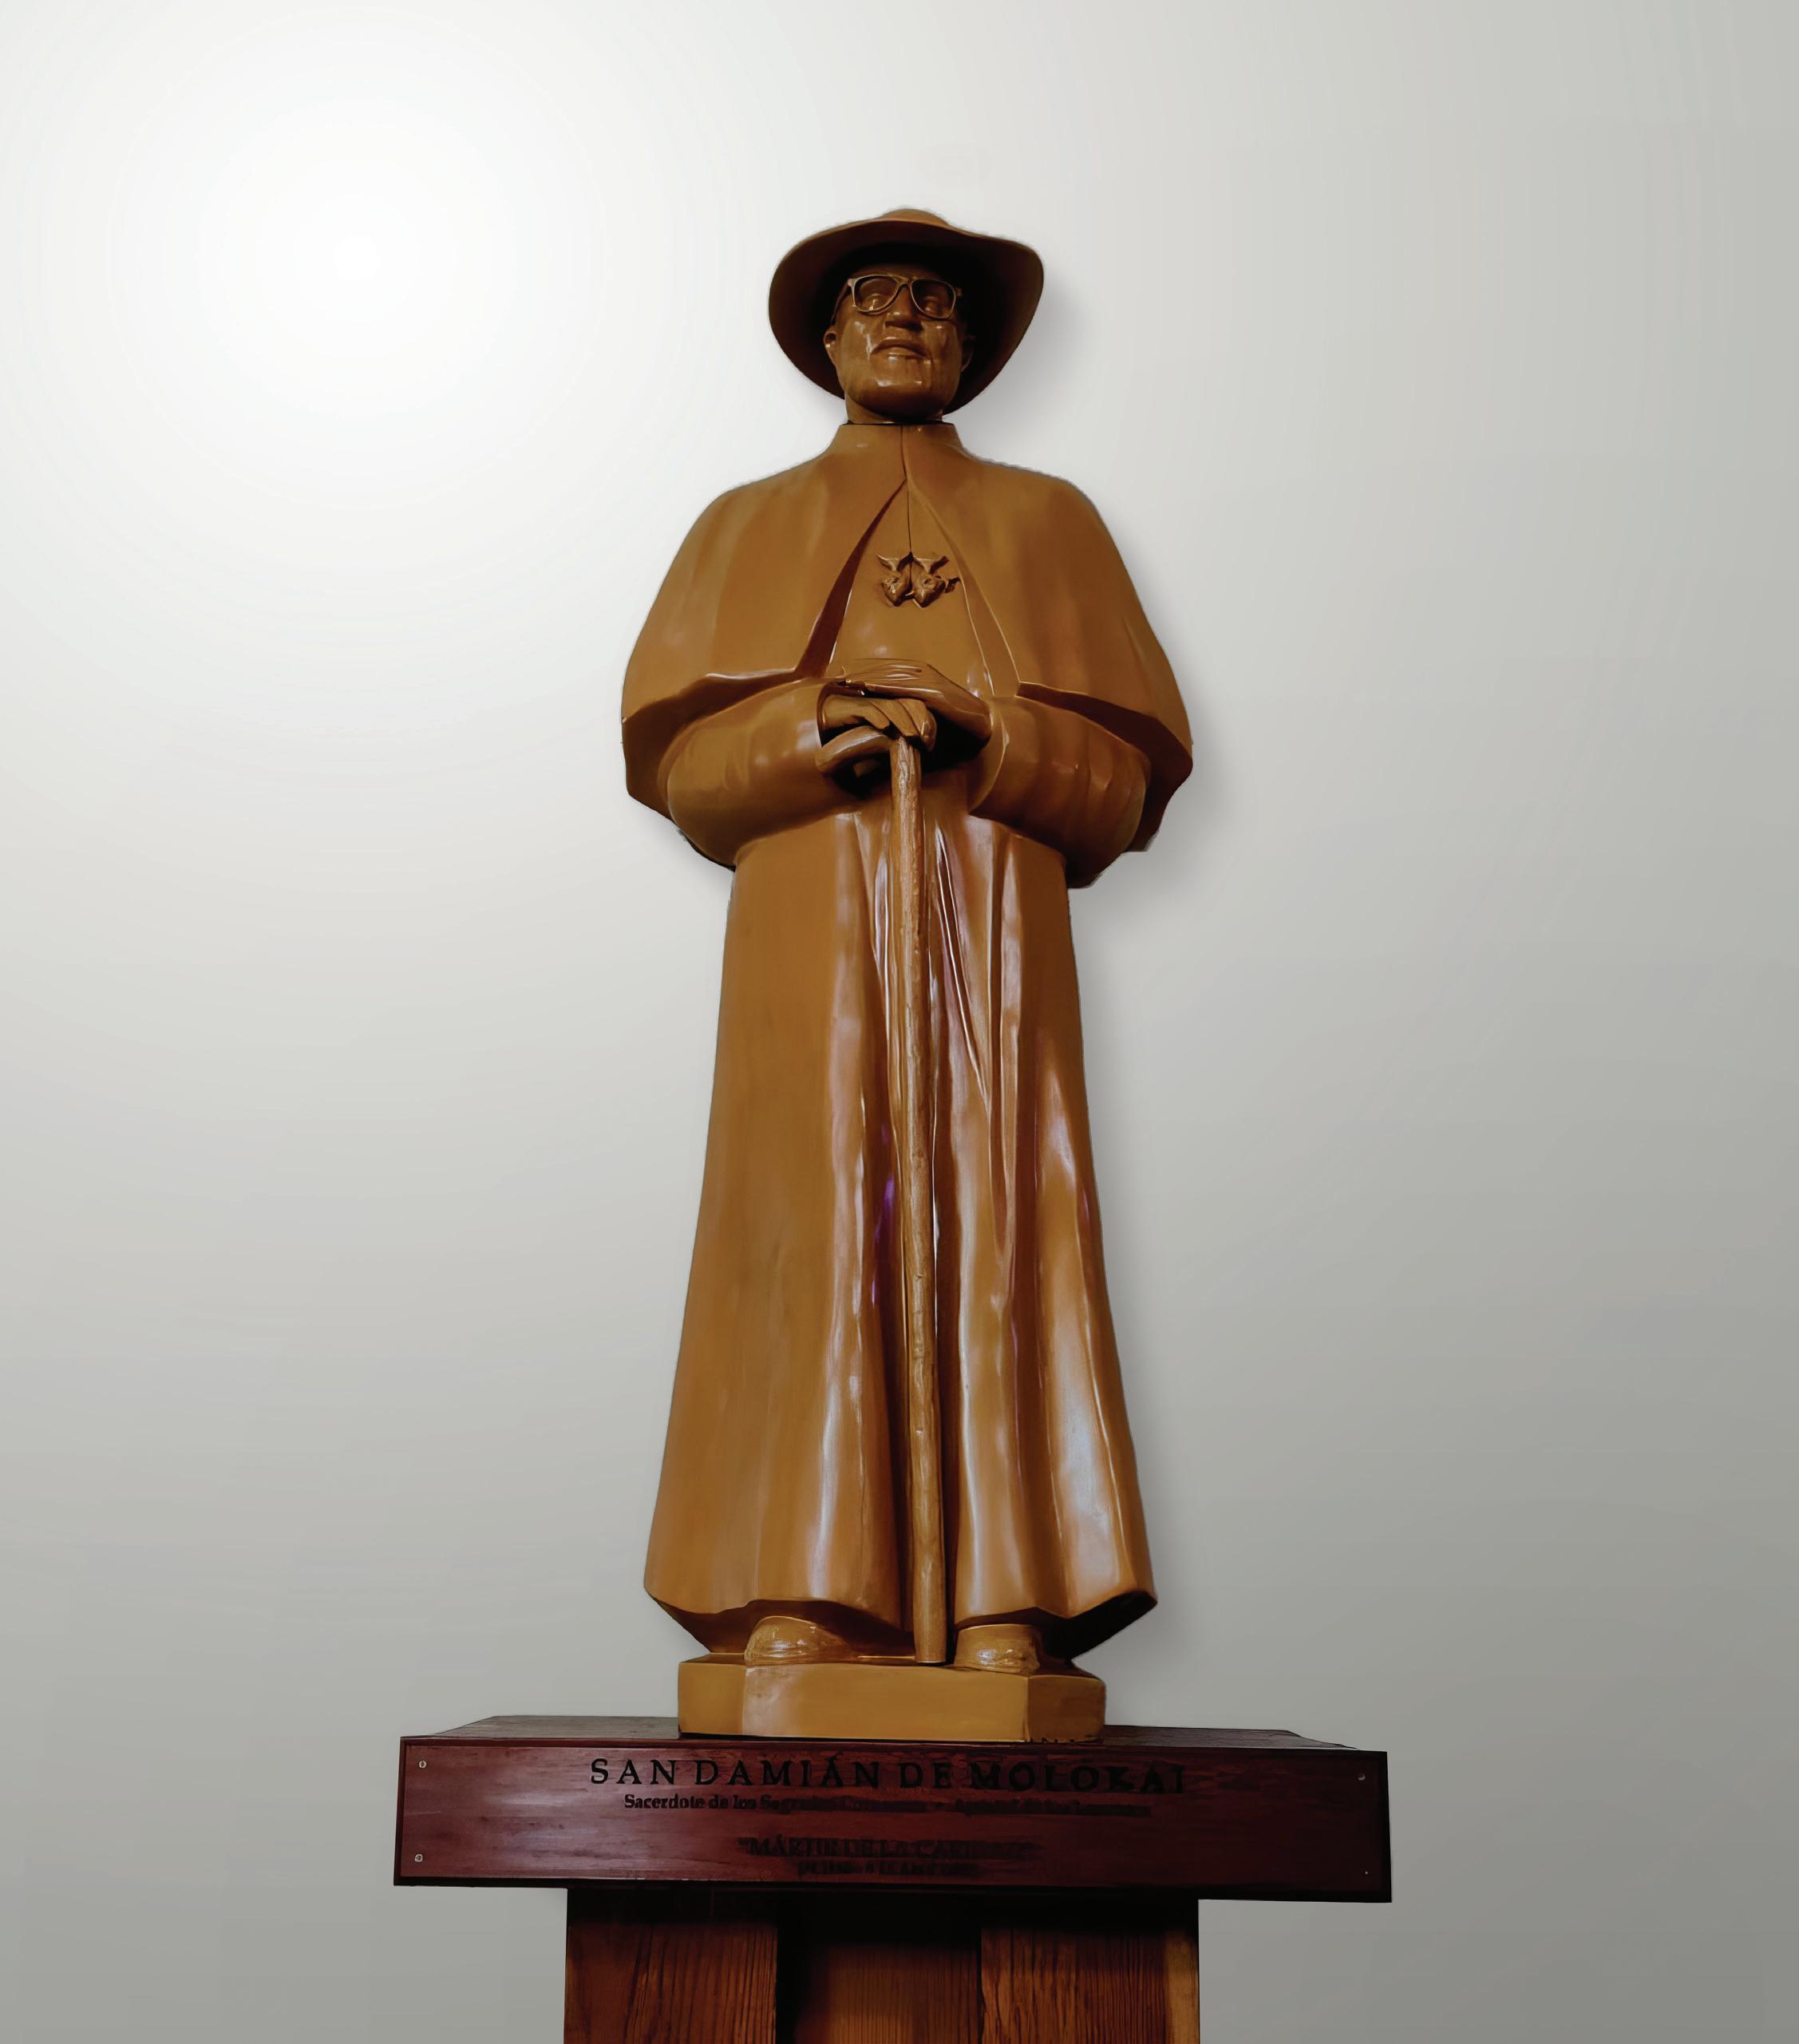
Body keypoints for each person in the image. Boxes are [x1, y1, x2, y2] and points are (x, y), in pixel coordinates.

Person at [623, 209, 1191, 1686]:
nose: (904, 318)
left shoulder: (1051, 524)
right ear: (827, 339)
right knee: (808, 1235)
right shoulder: (742, 525)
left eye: (935, 302)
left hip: (996, 939)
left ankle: (1010, 1590)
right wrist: (810, 721)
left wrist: (990, 731)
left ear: (974, 346)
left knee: (1005, 1227)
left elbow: (1120, 792)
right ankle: (805, 1586)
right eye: (873, 297)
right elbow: (686, 776)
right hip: (806, 944)